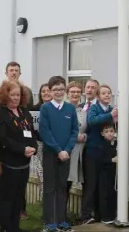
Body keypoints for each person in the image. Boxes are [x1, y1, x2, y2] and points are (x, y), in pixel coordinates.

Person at [0, 80, 37, 232]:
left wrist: (34, 148)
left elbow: (32, 133)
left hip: (24, 165)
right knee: (6, 198)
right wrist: (22, 149)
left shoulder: (25, 113)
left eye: (18, 95)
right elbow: (3, 139)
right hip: (8, 164)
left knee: (18, 198)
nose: (16, 98)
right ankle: (5, 227)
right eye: (12, 95)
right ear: (5, 96)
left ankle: (15, 227)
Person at [39, 76, 78, 232]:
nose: (59, 92)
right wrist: (58, 150)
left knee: (62, 187)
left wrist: (66, 150)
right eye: (55, 89)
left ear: (65, 90)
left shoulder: (70, 108)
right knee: (50, 188)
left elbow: (74, 131)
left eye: (61, 89)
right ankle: (49, 222)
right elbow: (45, 132)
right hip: (50, 154)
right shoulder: (46, 108)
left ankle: (61, 220)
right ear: (50, 91)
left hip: (65, 155)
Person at [79, 84, 117, 225]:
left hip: (106, 153)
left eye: (109, 93)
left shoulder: (113, 109)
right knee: (91, 184)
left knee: (104, 185)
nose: (107, 95)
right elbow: (92, 121)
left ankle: (102, 214)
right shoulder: (95, 108)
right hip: (93, 151)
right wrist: (110, 116)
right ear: (98, 96)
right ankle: (85, 215)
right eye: (104, 93)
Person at [66, 82, 87, 215]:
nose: (75, 94)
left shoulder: (84, 112)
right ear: (67, 93)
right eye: (72, 91)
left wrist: (83, 137)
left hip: (81, 151)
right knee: (65, 185)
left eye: (78, 92)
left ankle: (85, 214)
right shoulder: (63, 109)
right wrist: (74, 137)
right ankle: (60, 215)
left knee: (85, 183)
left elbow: (88, 130)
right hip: (68, 151)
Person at [31, 83, 52, 198]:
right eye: (43, 91)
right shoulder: (34, 109)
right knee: (42, 172)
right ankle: (44, 198)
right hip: (39, 144)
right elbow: (30, 127)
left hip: (54, 144)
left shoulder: (56, 108)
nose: (46, 93)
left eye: (48, 90)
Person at [98, 122, 117, 224]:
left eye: (111, 131)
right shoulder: (101, 145)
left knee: (113, 194)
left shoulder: (116, 143)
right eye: (107, 131)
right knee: (104, 195)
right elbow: (99, 160)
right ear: (102, 133)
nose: (109, 133)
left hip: (113, 174)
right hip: (104, 174)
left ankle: (112, 216)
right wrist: (111, 160)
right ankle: (105, 217)